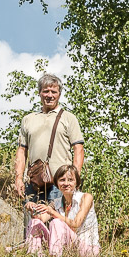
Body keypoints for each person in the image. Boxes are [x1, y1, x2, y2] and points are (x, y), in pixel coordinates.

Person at [12, 73, 85, 207]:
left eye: (53, 91)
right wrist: (18, 179)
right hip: (34, 183)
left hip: (61, 182)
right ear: (40, 93)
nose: (49, 95)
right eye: (46, 91)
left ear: (59, 94)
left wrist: (74, 179)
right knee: (32, 225)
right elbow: (22, 151)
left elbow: (78, 149)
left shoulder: (68, 118)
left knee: (56, 225)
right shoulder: (28, 119)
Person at [25, 165, 100, 257]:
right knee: (35, 222)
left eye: (70, 180)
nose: (66, 183)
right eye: (62, 180)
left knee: (56, 222)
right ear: (57, 183)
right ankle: (34, 256)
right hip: (68, 246)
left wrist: (52, 212)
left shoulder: (86, 197)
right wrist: (33, 210)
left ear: (76, 182)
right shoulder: (57, 202)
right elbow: (41, 218)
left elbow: (76, 224)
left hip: (87, 248)